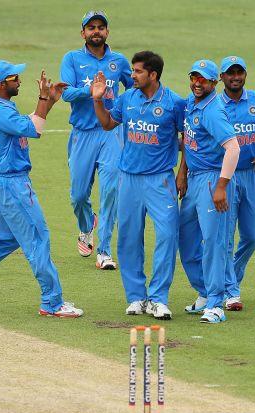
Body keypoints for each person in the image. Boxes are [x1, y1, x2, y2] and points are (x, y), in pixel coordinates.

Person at [0, 61, 83, 318]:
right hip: (13, 185)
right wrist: (43, 96)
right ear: (1, 84)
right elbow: (34, 129)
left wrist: (50, 101)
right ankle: (52, 302)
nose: (19, 81)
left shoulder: (4, 107)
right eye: (14, 78)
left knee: (6, 239)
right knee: (38, 237)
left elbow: (31, 120)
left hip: (7, 183)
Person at [91, 51, 185, 320]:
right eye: (132, 71)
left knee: (167, 235)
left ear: (153, 75)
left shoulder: (174, 103)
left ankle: (158, 298)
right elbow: (108, 124)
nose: (132, 75)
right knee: (129, 238)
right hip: (129, 179)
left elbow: (186, 140)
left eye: (137, 71)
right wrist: (98, 101)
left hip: (160, 180)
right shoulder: (128, 98)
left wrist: (182, 175)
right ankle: (136, 297)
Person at [59, 10, 133, 269]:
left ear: (107, 32)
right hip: (82, 134)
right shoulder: (71, 59)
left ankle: (104, 251)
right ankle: (86, 223)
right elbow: (65, 94)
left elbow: (134, 89)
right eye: (91, 27)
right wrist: (90, 91)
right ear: (83, 33)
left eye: (101, 27)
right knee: (78, 195)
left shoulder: (119, 61)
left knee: (111, 189)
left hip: (112, 132)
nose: (96, 31)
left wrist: (123, 106)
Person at [178, 59, 241, 324]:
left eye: (202, 79)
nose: (197, 83)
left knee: (214, 243)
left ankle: (216, 303)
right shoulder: (192, 103)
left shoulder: (213, 110)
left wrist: (221, 187)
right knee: (186, 238)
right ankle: (204, 293)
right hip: (195, 180)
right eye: (194, 77)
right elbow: (188, 143)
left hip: (213, 180)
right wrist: (182, 172)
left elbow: (234, 148)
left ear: (214, 82)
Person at [219, 56, 255, 311]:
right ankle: (231, 291)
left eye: (239, 72)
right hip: (225, 176)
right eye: (230, 73)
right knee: (226, 236)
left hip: (252, 175)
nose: (235, 77)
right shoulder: (214, 105)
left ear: (245, 74)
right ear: (221, 77)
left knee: (251, 236)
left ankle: (230, 276)